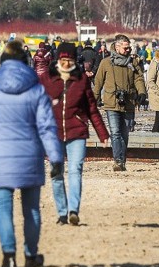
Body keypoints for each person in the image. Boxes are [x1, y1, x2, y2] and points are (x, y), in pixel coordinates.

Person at [0, 41, 63, 267]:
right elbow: (47, 127)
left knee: (3, 209)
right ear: (25, 62)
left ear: (2, 62)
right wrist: (55, 157)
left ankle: (9, 257)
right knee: (31, 209)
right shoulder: (36, 90)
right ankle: (31, 256)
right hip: (30, 155)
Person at [39, 42, 109, 226]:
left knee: (75, 170)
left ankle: (73, 211)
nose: (65, 63)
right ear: (57, 60)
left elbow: (92, 108)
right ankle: (62, 212)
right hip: (53, 133)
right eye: (63, 60)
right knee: (56, 173)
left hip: (77, 130)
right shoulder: (47, 78)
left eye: (69, 60)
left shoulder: (81, 79)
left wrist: (102, 134)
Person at [93, 34, 147, 171]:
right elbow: (98, 82)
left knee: (125, 133)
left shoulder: (133, 63)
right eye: (126, 47)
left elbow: (139, 79)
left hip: (129, 102)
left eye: (129, 48)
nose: (128, 50)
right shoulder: (105, 63)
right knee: (115, 133)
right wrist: (94, 99)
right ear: (117, 47)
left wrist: (142, 93)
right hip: (111, 102)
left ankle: (122, 160)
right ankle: (118, 161)